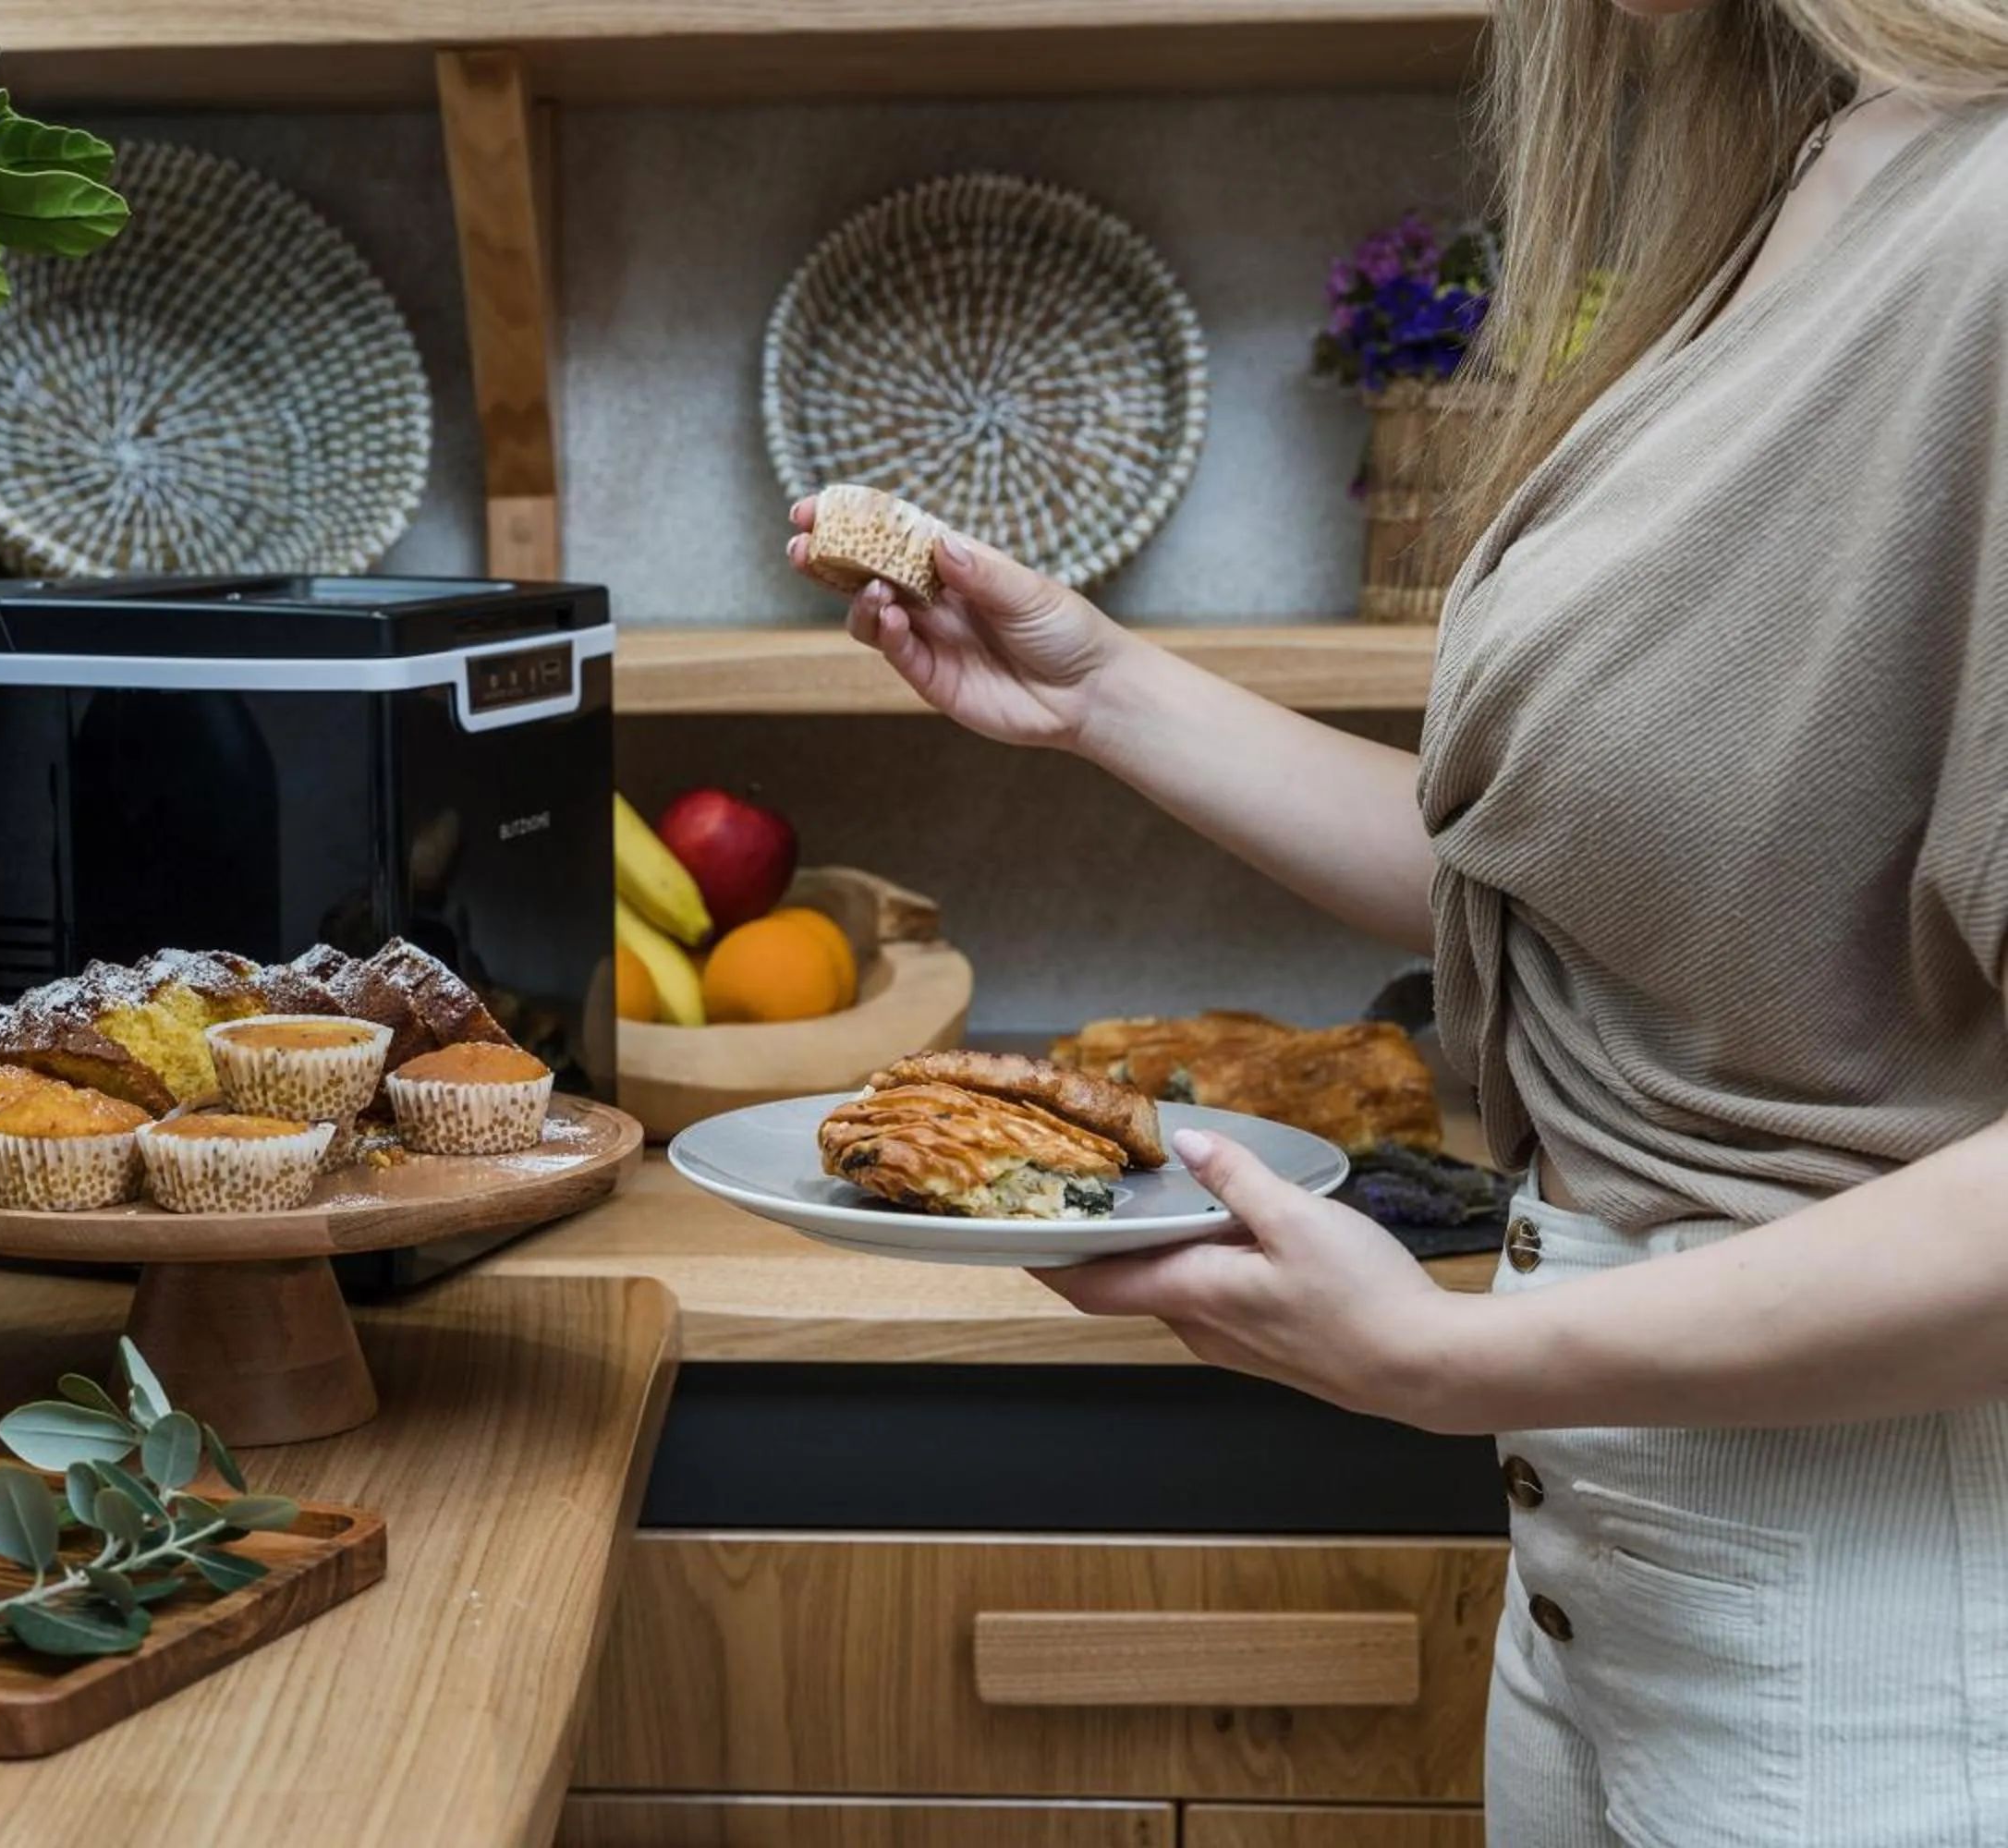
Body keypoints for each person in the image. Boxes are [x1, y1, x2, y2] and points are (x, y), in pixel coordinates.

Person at [786, 2, 2008, 1841]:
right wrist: (1104, 690)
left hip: (1880, 1629)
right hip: (1606, 1581)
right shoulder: (1795, 182)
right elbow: (1572, 898)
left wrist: (1443, 1361)